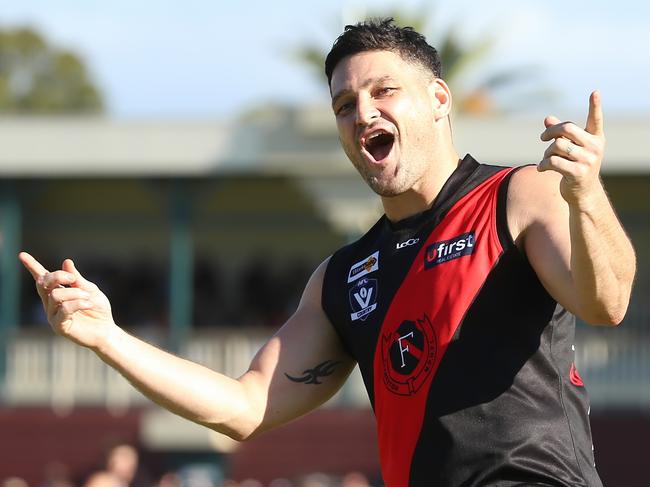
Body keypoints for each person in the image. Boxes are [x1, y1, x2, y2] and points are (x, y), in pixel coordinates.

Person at [20, 18, 635, 487]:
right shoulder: (344, 278)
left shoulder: (518, 195)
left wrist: (585, 198)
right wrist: (107, 337)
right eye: (345, 105)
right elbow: (245, 406)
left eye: (384, 90)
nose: (363, 112)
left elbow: (605, 303)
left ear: (440, 99)